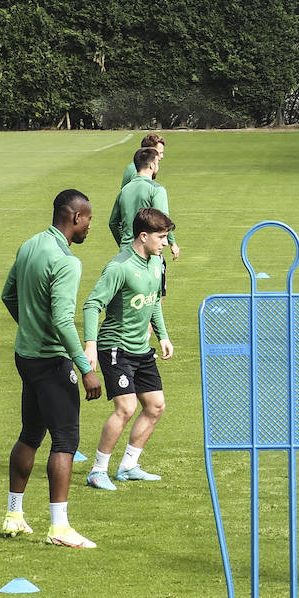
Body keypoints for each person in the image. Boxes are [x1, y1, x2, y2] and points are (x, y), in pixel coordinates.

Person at [1, 189, 104, 548]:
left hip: (25, 356)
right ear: (75, 217)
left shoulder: (30, 245)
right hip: (51, 361)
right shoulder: (66, 261)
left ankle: (14, 515)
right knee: (65, 440)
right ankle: (59, 528)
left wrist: (27, 327)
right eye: (89, 218)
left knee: (30, 433)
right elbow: (62, 320)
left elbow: (8, 294)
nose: (91, 225)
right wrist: (85, 367)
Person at [83, 207, 176, 490]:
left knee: (156, 406)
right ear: (143, 236)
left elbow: (153, 301)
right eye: (161, 237)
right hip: (115, 347)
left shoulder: (156, 262)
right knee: (126, 407)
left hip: (141, 348)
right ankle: (98, 470)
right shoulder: (119, 267)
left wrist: (162, 335)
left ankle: (128, 466)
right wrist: (90, 345)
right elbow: (92, 304)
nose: (165, 243)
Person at [110, 147, 180, 299]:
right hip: (148, 253)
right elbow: (163, 222)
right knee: (153, 300)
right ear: (152, 165)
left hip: (126, 253)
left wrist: (124, 242)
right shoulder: (156, 190)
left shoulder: (124, 190)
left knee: (130, 301)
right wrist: (172, 242)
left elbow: (113, 223)